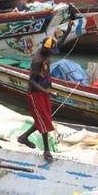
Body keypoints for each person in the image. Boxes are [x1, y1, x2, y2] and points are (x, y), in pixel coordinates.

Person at [17, 11, 75, 162]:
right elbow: (31, 82)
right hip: (36, 93)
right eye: (51, 51)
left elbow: (60, 42)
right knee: (43, 121)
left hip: (44, 92)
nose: (53, 53)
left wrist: (68, 29)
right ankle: (47, 151)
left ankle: (23, 137)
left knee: (45, 119)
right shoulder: (37, 60)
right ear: (45, 49)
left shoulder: (47, 53)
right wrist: (46, 91)